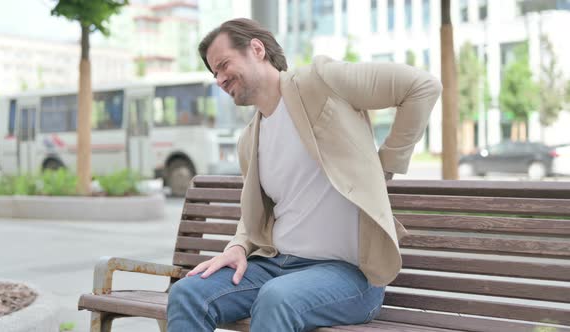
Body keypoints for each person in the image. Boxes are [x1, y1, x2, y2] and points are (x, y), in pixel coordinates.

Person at [167, 18, 442, 332]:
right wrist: (238, 247)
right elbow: (255, 212)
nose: (218, 79)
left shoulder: (322, 81)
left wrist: (387, 166)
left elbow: (422, 87)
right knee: (188, 294)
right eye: (214, 72)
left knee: (277, 298)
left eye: (223, 65)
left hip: (350, 276)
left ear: (257, 49)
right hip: (277, 266)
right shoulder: (249, 140)